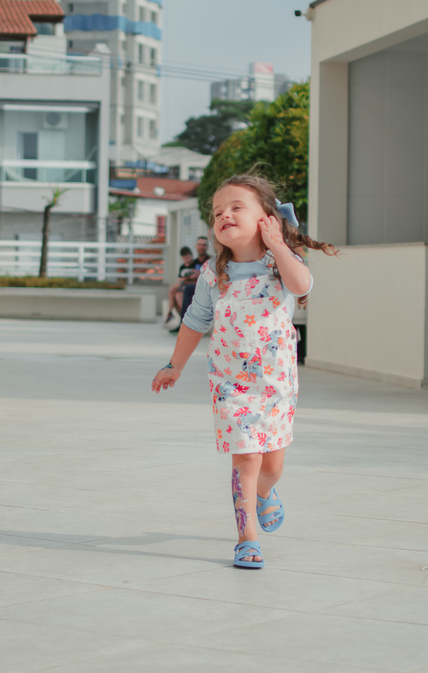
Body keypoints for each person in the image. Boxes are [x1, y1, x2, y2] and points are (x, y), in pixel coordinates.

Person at [150, 174, 337, 569]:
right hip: (231, 384)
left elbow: (303, 283)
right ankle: (246, 538)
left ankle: (267, 493)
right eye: (218, 211)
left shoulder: (279, 264)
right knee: (247, 460)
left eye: (237, 207)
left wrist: (278, 245)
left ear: (266, 218)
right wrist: (174, 365)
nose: (224, 215)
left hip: (276, 384)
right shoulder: (211, 274)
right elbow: (193, 322)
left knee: (272, 465)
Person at [172, 235, 212, 333]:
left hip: (206, 288)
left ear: (207, 247)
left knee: (188, 289)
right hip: (194, 286)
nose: (202, 247)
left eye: (204, 245)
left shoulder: (211, 260)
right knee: (176, 294)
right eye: (200, 245)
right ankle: (184, 323)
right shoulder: (193, 262)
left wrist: (200, 274)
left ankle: (186, 324)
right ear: (196, 246)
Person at [163, 247, 198, 328]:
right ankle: (170, 312)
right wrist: (184, 279)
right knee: (172, 291)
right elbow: (180, 278)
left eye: (188, 258)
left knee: (177, 294)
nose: (187, 260)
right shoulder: (182, 267)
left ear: (191, 256)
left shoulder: (195, 265)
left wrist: (188, 279)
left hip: (190, 285)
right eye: (184, 258)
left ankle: (184, 318)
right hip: (184, 284)